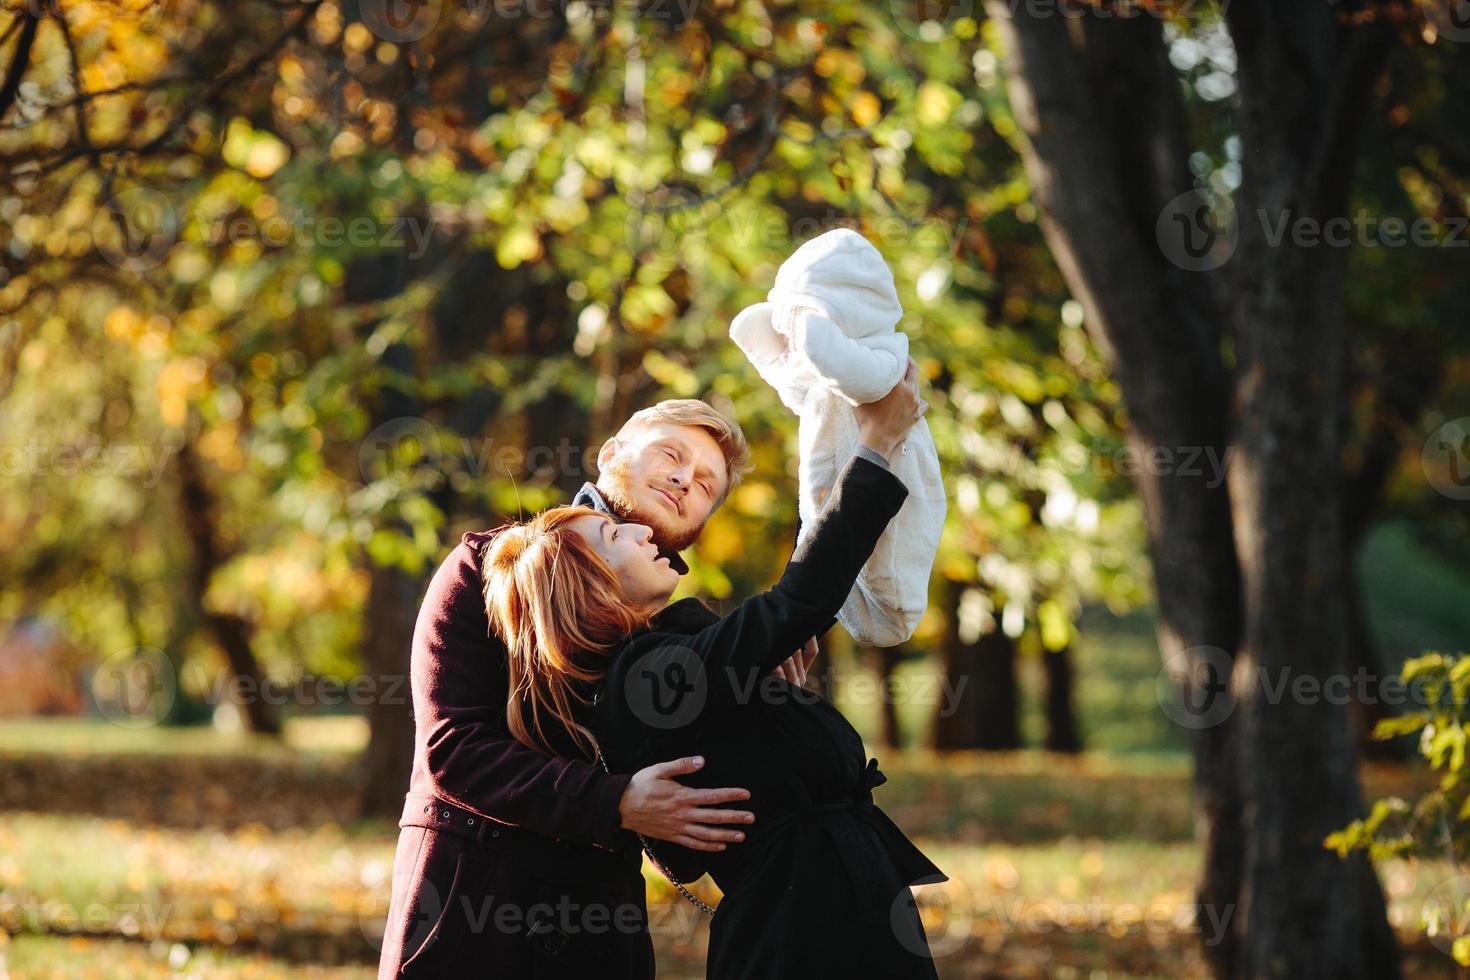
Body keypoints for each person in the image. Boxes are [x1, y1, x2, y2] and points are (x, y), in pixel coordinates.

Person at [481, 363, 945, 978]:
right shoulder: (642, 680)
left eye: (705, 483)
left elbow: (795, 607)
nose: (643, 535)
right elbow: (796, 601)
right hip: (800, 938)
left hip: (844, 910)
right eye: (612, 535)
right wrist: (876, 446)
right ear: (588, 586)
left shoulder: (674, 655)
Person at [378, 399, 821, 978]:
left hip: (599, 928)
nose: (686, 479)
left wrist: (759, 692)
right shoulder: (486, 567)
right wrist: (614, 801)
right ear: (611, 453)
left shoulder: (682, 639)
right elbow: (452, 750)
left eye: (707, 485)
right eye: (672, 454)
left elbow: (696, 806)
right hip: (472, 907)